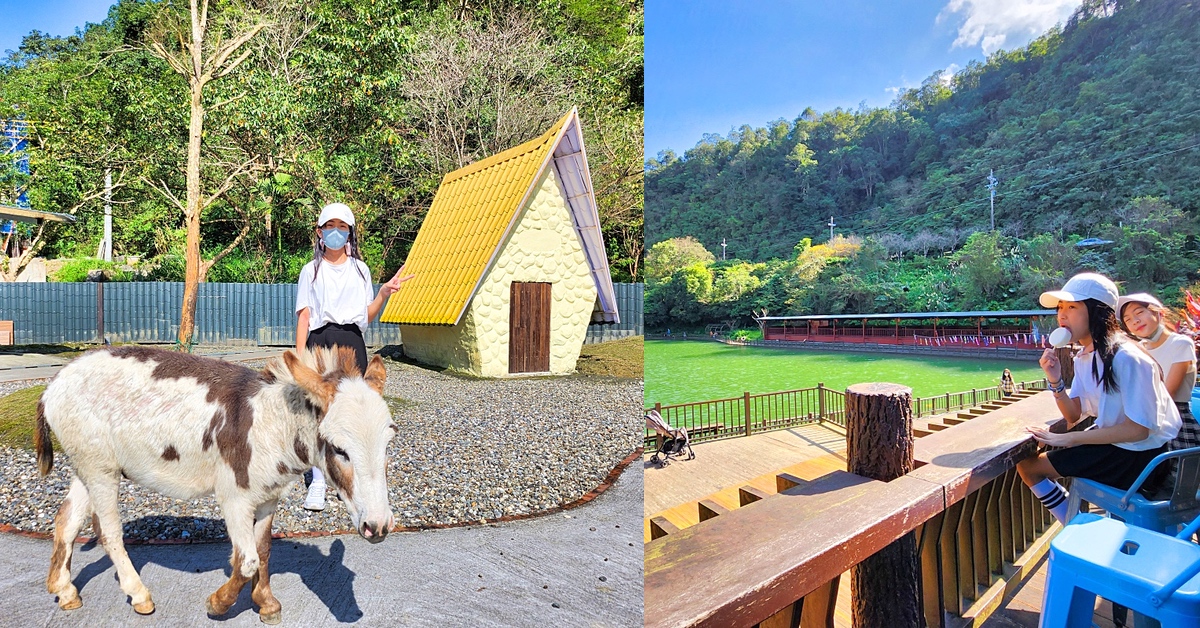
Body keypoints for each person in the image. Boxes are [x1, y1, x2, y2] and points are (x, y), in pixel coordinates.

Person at [1017, 273, 1181, 524]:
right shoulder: (1086, 356)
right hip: (1123, 449)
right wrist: (1055, 379)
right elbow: (1073, 414)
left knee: (1029, 468)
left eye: (1072, 307)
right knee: (1030, 466)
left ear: (1097, 312)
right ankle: (1080, 526)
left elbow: (1138, 430)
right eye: (1060, 308)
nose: (1062, 315)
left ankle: (1078, 528)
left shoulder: (1127, 357)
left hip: (1143, 458)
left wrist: (1069, 438)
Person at [295, 202, 413, 510]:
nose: (336, 232)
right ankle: (318, 482)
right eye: (329, 226)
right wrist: (299, 361)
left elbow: (366, 317)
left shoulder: (361, 270)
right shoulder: (310, 271)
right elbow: (305, 317)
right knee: (318, 412)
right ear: (320, 233)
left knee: (351, 412)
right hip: (319, 341)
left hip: (352, 341)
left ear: (350, 233)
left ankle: (348, 479)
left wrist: (384, 293)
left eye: (342, 227)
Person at [1118, 292, 1200, 450]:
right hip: (1142, 419)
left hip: (1176, 420)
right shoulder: (1136, 350)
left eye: (1139, 312)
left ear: (1158, 312)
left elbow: (1169, 394)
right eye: (1128, 320)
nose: (1135, 321)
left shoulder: (1181, 343)